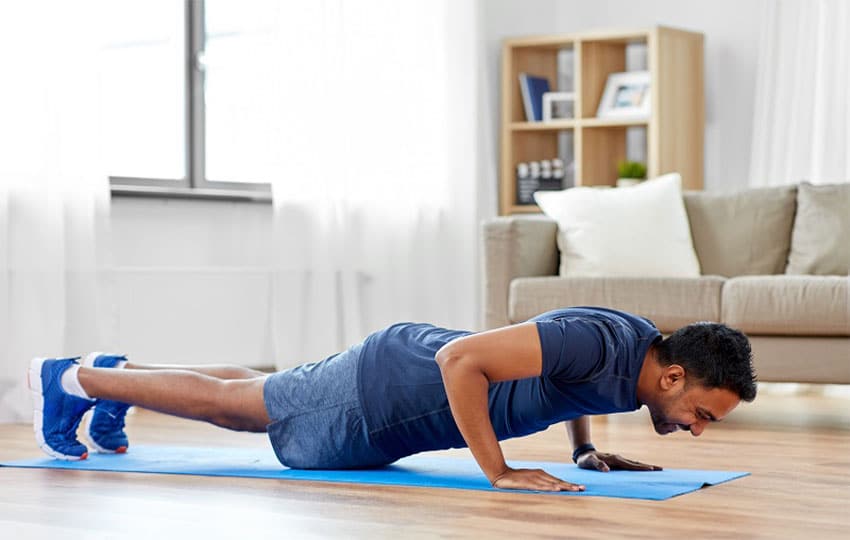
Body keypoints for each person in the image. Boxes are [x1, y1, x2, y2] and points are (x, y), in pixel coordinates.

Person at [27, 306, 757, 493]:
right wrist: (499, 472)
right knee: (241, 408)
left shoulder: (628, 355)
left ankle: (113, 373)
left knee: (248, 389)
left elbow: (566, 384)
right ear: (673, 379)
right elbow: (461, 358)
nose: (697, 430)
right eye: (703, 413)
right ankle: (71, 380)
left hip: (391, 373)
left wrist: (583, 448)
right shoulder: (604, 344)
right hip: (390, 391)